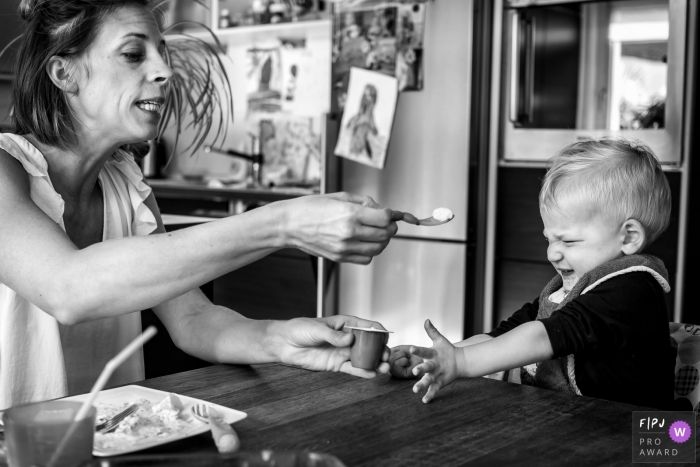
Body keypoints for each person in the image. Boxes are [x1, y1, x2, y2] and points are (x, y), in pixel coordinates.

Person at [0, 0, 402, 410]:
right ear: (64, 73)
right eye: (134, 54)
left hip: (114, 444)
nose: (164, 71)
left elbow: (193, 320)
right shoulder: (4, 168)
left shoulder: (126, 187)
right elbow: (68, 289)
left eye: (162, 53)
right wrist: (283, 222)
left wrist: (282, 340)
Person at [389, 138, 676, 409]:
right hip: (575, 430)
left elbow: (543, 337)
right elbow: (504, 336)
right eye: (549, 239)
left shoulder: (633, 289)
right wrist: (433, 358)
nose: (552, 253)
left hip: (638, 442)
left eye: (568, 241)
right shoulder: (569, 290)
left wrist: (461, 362)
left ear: (628, 237)